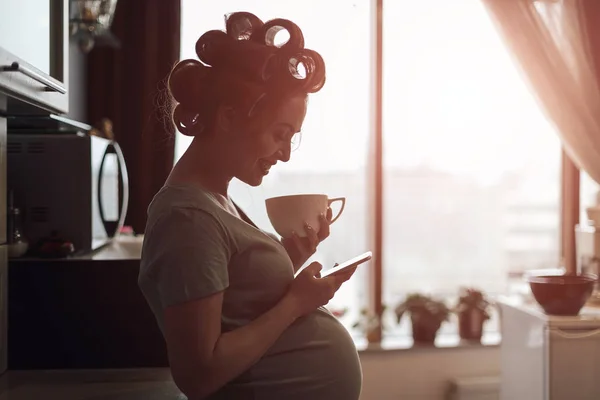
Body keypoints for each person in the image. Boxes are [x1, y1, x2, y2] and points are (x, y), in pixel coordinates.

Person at [138, 11, 362, 400]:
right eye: (281, 134)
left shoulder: (217, 201)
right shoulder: (188, 219)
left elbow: (236, 307)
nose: (286, 155)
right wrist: (295, 304)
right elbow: (199, 374)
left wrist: (290, 255)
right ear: (228, 118)